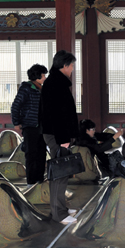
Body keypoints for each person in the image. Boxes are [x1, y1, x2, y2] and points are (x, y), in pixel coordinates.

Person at [40, 50, 80, 224]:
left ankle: (60, 207)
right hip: (57, 135)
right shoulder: (56, 83)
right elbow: (57, 114)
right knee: (59, 173)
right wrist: (63, 138)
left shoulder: (55, 82)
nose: (72, 69)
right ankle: (59, 214)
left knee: (62, 171)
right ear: (65, 65)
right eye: (72, 65)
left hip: (57, 134)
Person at [11, 63, 48, 184]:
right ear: (37, 76)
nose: (45, 77)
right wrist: (16, 122)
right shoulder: (26, 88)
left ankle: (40, 179)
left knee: (41, 153)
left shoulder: (42, 89)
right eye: (43, 75)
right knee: (31, 154)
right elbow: (15, 106)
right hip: (30, 126)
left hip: (42, 127)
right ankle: (31, 181)